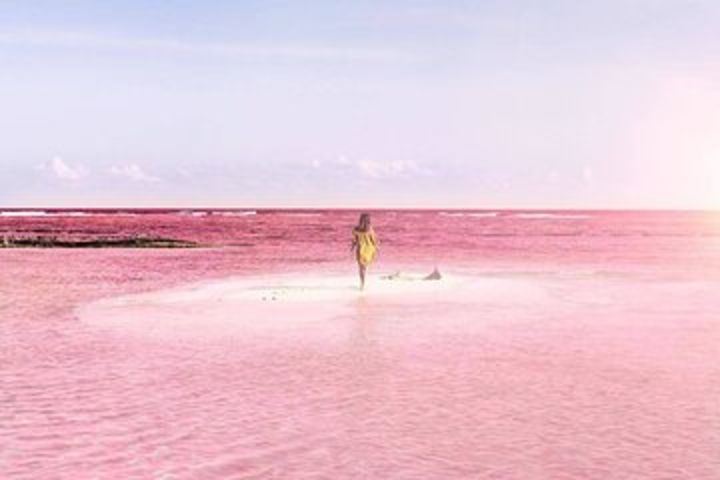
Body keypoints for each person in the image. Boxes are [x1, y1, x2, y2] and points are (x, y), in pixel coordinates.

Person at [350, 213, 378, 290]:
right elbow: (374, 241)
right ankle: (362, 283)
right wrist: (377, 249)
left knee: (361, 267)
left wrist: (352, 247)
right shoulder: (369, 229)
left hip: (364, 249)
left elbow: (354, 240)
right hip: (366, 249)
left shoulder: (357, 229)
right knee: (362, 267)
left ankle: (362, 283)